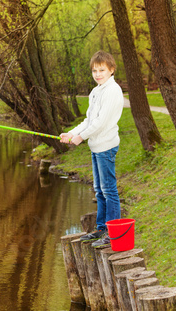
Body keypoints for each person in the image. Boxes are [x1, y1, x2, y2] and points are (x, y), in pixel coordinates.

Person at [60, 50, 124, 248]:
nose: (97, 74)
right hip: (96, 146)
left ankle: (113, 234)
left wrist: (80, 137)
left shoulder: (112, 91)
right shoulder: (96, 91)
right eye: (94, 70)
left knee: (109, 189)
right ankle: (101, 228)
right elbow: (89, 120)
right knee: (99, 190)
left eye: (102, 70)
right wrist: (71, 133)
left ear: (111, 70)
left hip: (106, 146)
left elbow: (101, 122)